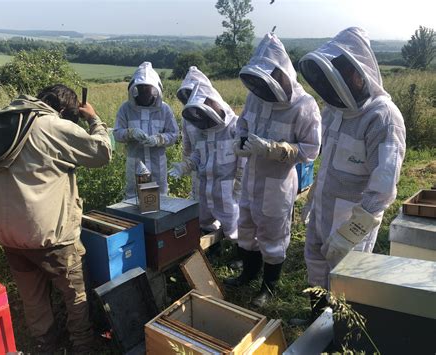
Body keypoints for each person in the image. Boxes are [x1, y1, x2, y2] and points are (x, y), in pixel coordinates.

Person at [0, 84, 112, 353]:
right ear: (62, 110)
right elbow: (102, 152)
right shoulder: (50, 124)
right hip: (50, 236)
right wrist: (93, 118)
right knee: (75, 295)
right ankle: (82, 346)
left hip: (8, 235)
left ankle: (44, 346)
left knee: (33, 299)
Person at [298, 27, 406, 320]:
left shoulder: (383, 117)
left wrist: (351, 232)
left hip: (351, 219)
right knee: (316, 269)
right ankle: (316, 326)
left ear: (361, 74)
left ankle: (343, 337)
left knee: (348, 283)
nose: (340, 84)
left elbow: (383, 186)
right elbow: (326, 165)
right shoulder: (334, 110)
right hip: (322, 209)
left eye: (346, 74)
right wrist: (311, 203)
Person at [224, 32, 322, 308]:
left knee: (272, 233)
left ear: (282, 73)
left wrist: (273, 149)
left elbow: (311, 149)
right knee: (246, 226)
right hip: (251, 176)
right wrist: (240, 142)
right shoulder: (256, 97)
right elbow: (242, 125)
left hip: (278, 182)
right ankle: (248, 273)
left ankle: (269, 287)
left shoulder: (304, 106)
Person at [169, 71, 244, 245]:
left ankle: (238, 252)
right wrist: (186, 165)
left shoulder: (235, 126)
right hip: (205, 184)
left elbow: (243, 158)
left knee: (232, 221)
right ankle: (213, 246)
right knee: (204, 218)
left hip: (226, 186)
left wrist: (239, 184)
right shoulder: (202, 127)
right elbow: (198, 152)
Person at [113, 62, 179, 198]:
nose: (144, 92)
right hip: (135, 165)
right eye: (141, 88)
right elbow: (117, 134)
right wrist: (130, 133)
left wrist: (159, 139)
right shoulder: (125, 108)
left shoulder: (164, 109)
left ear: (155, 89)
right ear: (135, 89)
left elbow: (174, 134)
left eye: (147, 88)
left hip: (157, 166)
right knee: (133, 200)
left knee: (160, 200)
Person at [176, 66, 211, 201]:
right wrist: (185, 166)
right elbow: (187, 144)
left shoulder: (223, 116)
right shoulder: (187, 118)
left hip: (219, 173)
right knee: (198, 205)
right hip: (197, 169)